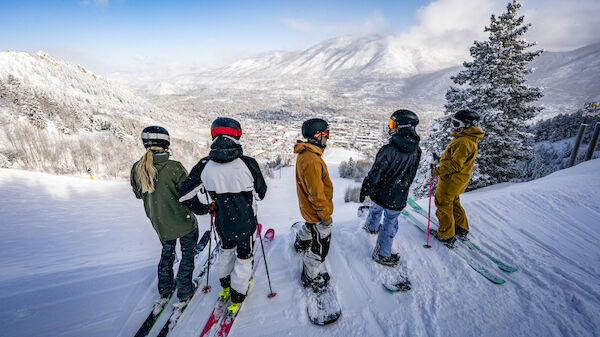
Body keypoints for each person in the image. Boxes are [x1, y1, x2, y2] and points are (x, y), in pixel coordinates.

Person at [178, 117, 267, 316]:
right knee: (244, 257)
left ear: (214, 135)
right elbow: (261, 192)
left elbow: (184, 195)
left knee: (226, 250)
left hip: (222, 223)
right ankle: (237, 295)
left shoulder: (204, 165)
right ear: (237, 135)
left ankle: (226, 285)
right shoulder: (248, 163)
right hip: (246, 222)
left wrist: (204, 208)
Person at [130, 126, 202, 305]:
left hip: (160, 223)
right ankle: (185, 290)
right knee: (187, 254)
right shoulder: (174, 167)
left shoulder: (137, 169)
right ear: (166, 143)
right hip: (183, 222)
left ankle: (165, 288)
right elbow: (187, 195)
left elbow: (139, 194)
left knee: (167, 253)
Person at [359, 109, 422, 266]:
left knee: (376, 208)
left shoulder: (388, 150)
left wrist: (367, 186)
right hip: (397, 195)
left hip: (380, 192)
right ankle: (382, 252)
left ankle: (372, 227)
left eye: (392, 124)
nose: (389, 127)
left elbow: (375, 173)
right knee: (390, 221)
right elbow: (411, 174)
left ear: (403, 127)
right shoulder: (416, 150)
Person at [430, 109, 485, 246]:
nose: (454, 126)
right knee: (454, 202)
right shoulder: (468, 139)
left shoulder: (463, 141)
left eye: (457, 123)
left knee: (443, 204)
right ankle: (461, 228)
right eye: (453, 123)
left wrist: (435, 172)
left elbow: (454, 165)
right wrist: (441, 160)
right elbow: (457, 160)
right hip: (460, 180)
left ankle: (446, 235)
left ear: (467, 125)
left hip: (451, 180)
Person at [293, 118, 334, 291]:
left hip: (309, 210)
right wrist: (325, 217)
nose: (327, 139)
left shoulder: (308, 154)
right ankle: (310, 275)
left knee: (310, 227)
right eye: (326, 135)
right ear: (317, 136)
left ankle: (301, 242)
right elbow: (316, 194)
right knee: (321, 244)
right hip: (317, 211)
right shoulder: (312, 160)